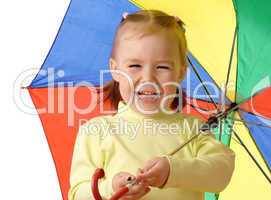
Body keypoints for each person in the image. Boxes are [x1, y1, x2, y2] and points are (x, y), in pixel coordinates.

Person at [68, 9, 235, 200]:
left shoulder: (194, 130)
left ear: (180, 73)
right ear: (115, 69)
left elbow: (221, 173)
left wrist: (173, 171)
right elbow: (77, 194)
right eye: (134, 66)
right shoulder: (96, 131)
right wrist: (110, 188)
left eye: (162, 67)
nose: (148, 78)